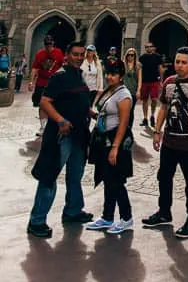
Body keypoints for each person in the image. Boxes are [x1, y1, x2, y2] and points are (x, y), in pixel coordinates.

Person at [27, 41, 92, 238]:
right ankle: (37, 221)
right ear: (67, 55)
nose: (79, 58)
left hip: (79, 134)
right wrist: (60, 120)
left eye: (82, 54)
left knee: (75, 175)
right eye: (75, 54)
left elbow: (76, 100)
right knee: (49, 175)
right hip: (61, 135)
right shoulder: (60, 76)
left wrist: (91, 112)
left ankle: (73, 211)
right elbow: (45, 102)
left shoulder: (79, 75)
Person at [142, 47, 188, 239]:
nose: (179, 65)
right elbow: (163, 107)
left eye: (183, 62)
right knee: (164, 177)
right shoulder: (169, 82)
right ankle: (164, 212)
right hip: (170, 142)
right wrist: (156, 131)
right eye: (177, 61)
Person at [87, 59, 134, 234]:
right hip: (102, 139)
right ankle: (107, 216)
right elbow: (104, 114)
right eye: (108, 73)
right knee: (107, 179)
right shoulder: (109, 90)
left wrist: (115, 147)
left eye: (114, 74)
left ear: (121, 76)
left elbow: (123, 123)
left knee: (116, 180)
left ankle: (126, 217)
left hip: (116, 140)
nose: (109, 77)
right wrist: (92, 114)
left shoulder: (124, 95)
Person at [28, 35, 64, 137]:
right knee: (42, 105)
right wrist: (31, 82)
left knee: (54, 105)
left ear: (53, 44)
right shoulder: (40, 54)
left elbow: (62, 66)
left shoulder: (58, 52)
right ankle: (43, 127)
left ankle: (52, 125)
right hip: (41, 83)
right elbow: (35, 68)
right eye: (47, 44)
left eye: (50, 44)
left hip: (54, 83)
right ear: (44, 44)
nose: (49, 46)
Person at [138, 41, 163, 128]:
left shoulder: (157, 57)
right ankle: (145, 118)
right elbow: (139, 70)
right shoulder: (142, 57)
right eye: (146, 47)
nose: (148, 48)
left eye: (150, 46)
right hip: (144, 81)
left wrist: (161, 81)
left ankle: (152, 116)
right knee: (144, 100)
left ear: (153, 48)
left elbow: (160, 69)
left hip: (154, 81)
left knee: (154, 99)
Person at [123, 47, 141, 128]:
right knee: (123, 110)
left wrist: (138, 91)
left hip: (133, 91)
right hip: (123, 91)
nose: (130, 56)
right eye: (128, 55)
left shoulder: (138, 66)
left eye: (132, 55)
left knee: (131, 111)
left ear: (135, 56)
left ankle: (129, 128)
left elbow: (140, 79)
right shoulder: (123, 64)